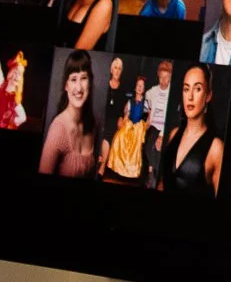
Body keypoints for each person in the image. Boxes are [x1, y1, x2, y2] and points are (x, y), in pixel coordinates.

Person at [163, 62, 224, 195]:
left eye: (197, 89)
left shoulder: (216, 148)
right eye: (186, 89)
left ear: (208, 95)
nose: (190, 97)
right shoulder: (173, 134)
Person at [38, 50, 100, 177]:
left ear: (90, 83)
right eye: (73, 79)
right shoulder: (58, 129)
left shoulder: (93, 124)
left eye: (84, 78)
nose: (79, 88)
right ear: (66, 86)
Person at [100, 54, 149, 183]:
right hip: (109, 118)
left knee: (125, 138)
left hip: (133, 125)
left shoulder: (142, 100)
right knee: (120, 137)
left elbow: (146, 114)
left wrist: (143, 124)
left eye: (119, 68)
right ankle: (112, 165)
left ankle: (125, 170)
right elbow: (126, 110)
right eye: (115, 68)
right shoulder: (129, 99)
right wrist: (125, 117)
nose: (117, 71)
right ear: (111, 69)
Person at [143, 58, 173, 188]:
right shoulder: (152, 91)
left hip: (166, 127)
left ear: (171, 77)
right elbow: (146, 106)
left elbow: (172, 117)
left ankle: (153, 174)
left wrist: (162, 135)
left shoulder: (173, 93)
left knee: (158, 145)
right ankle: (152, 173)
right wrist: (148, 115)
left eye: (166, 78)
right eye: (161, 77)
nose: (163, 81)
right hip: (154, 125)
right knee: (150, 144)